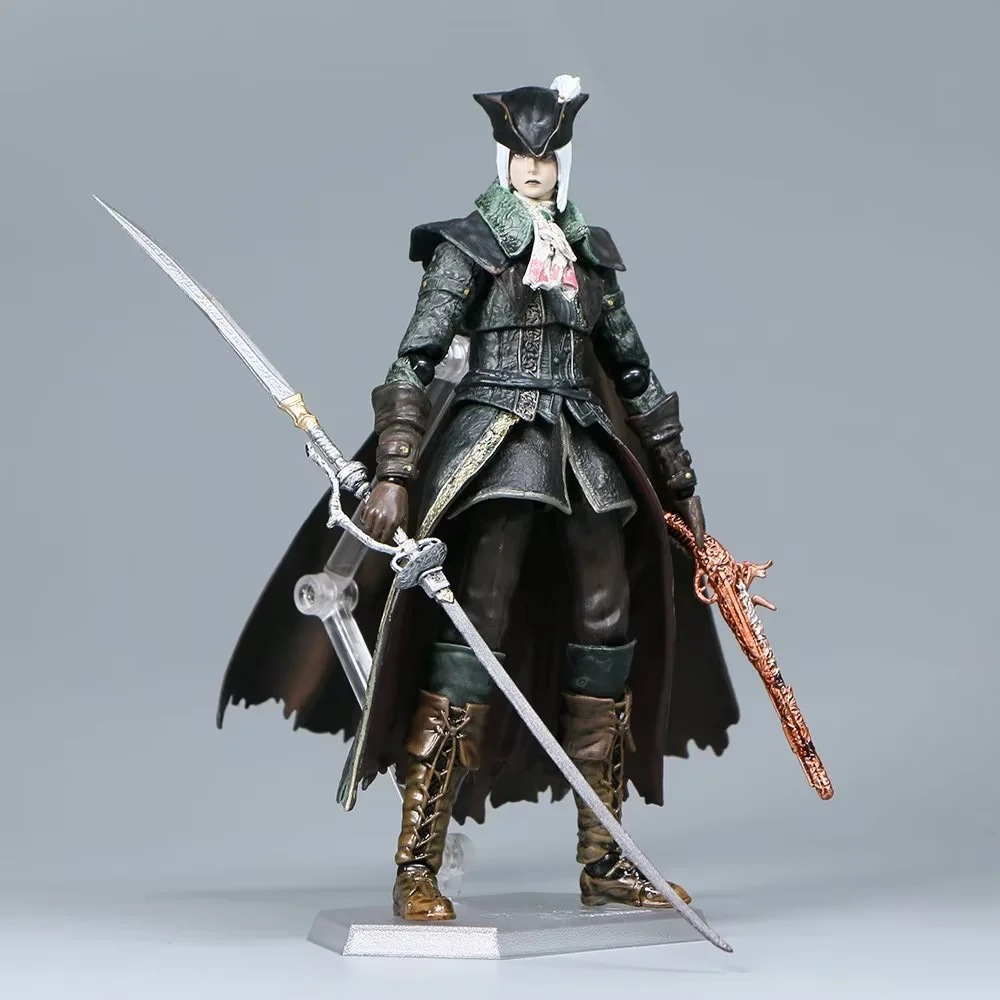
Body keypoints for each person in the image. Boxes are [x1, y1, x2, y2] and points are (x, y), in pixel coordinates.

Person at [217, 75, 740, 923]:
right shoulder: (468, 247)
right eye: (523, 157)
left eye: (548, 158)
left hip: (586, 452)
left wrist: (681, 482)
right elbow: (413, 362)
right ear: (503, 160)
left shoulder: (589, 254)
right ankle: (416, 864)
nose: (535, 170)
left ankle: (606, 856)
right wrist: (395, 472)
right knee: (474, 624)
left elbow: (635, 371)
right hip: (495, 449)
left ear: (563, 163)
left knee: (608, 625)